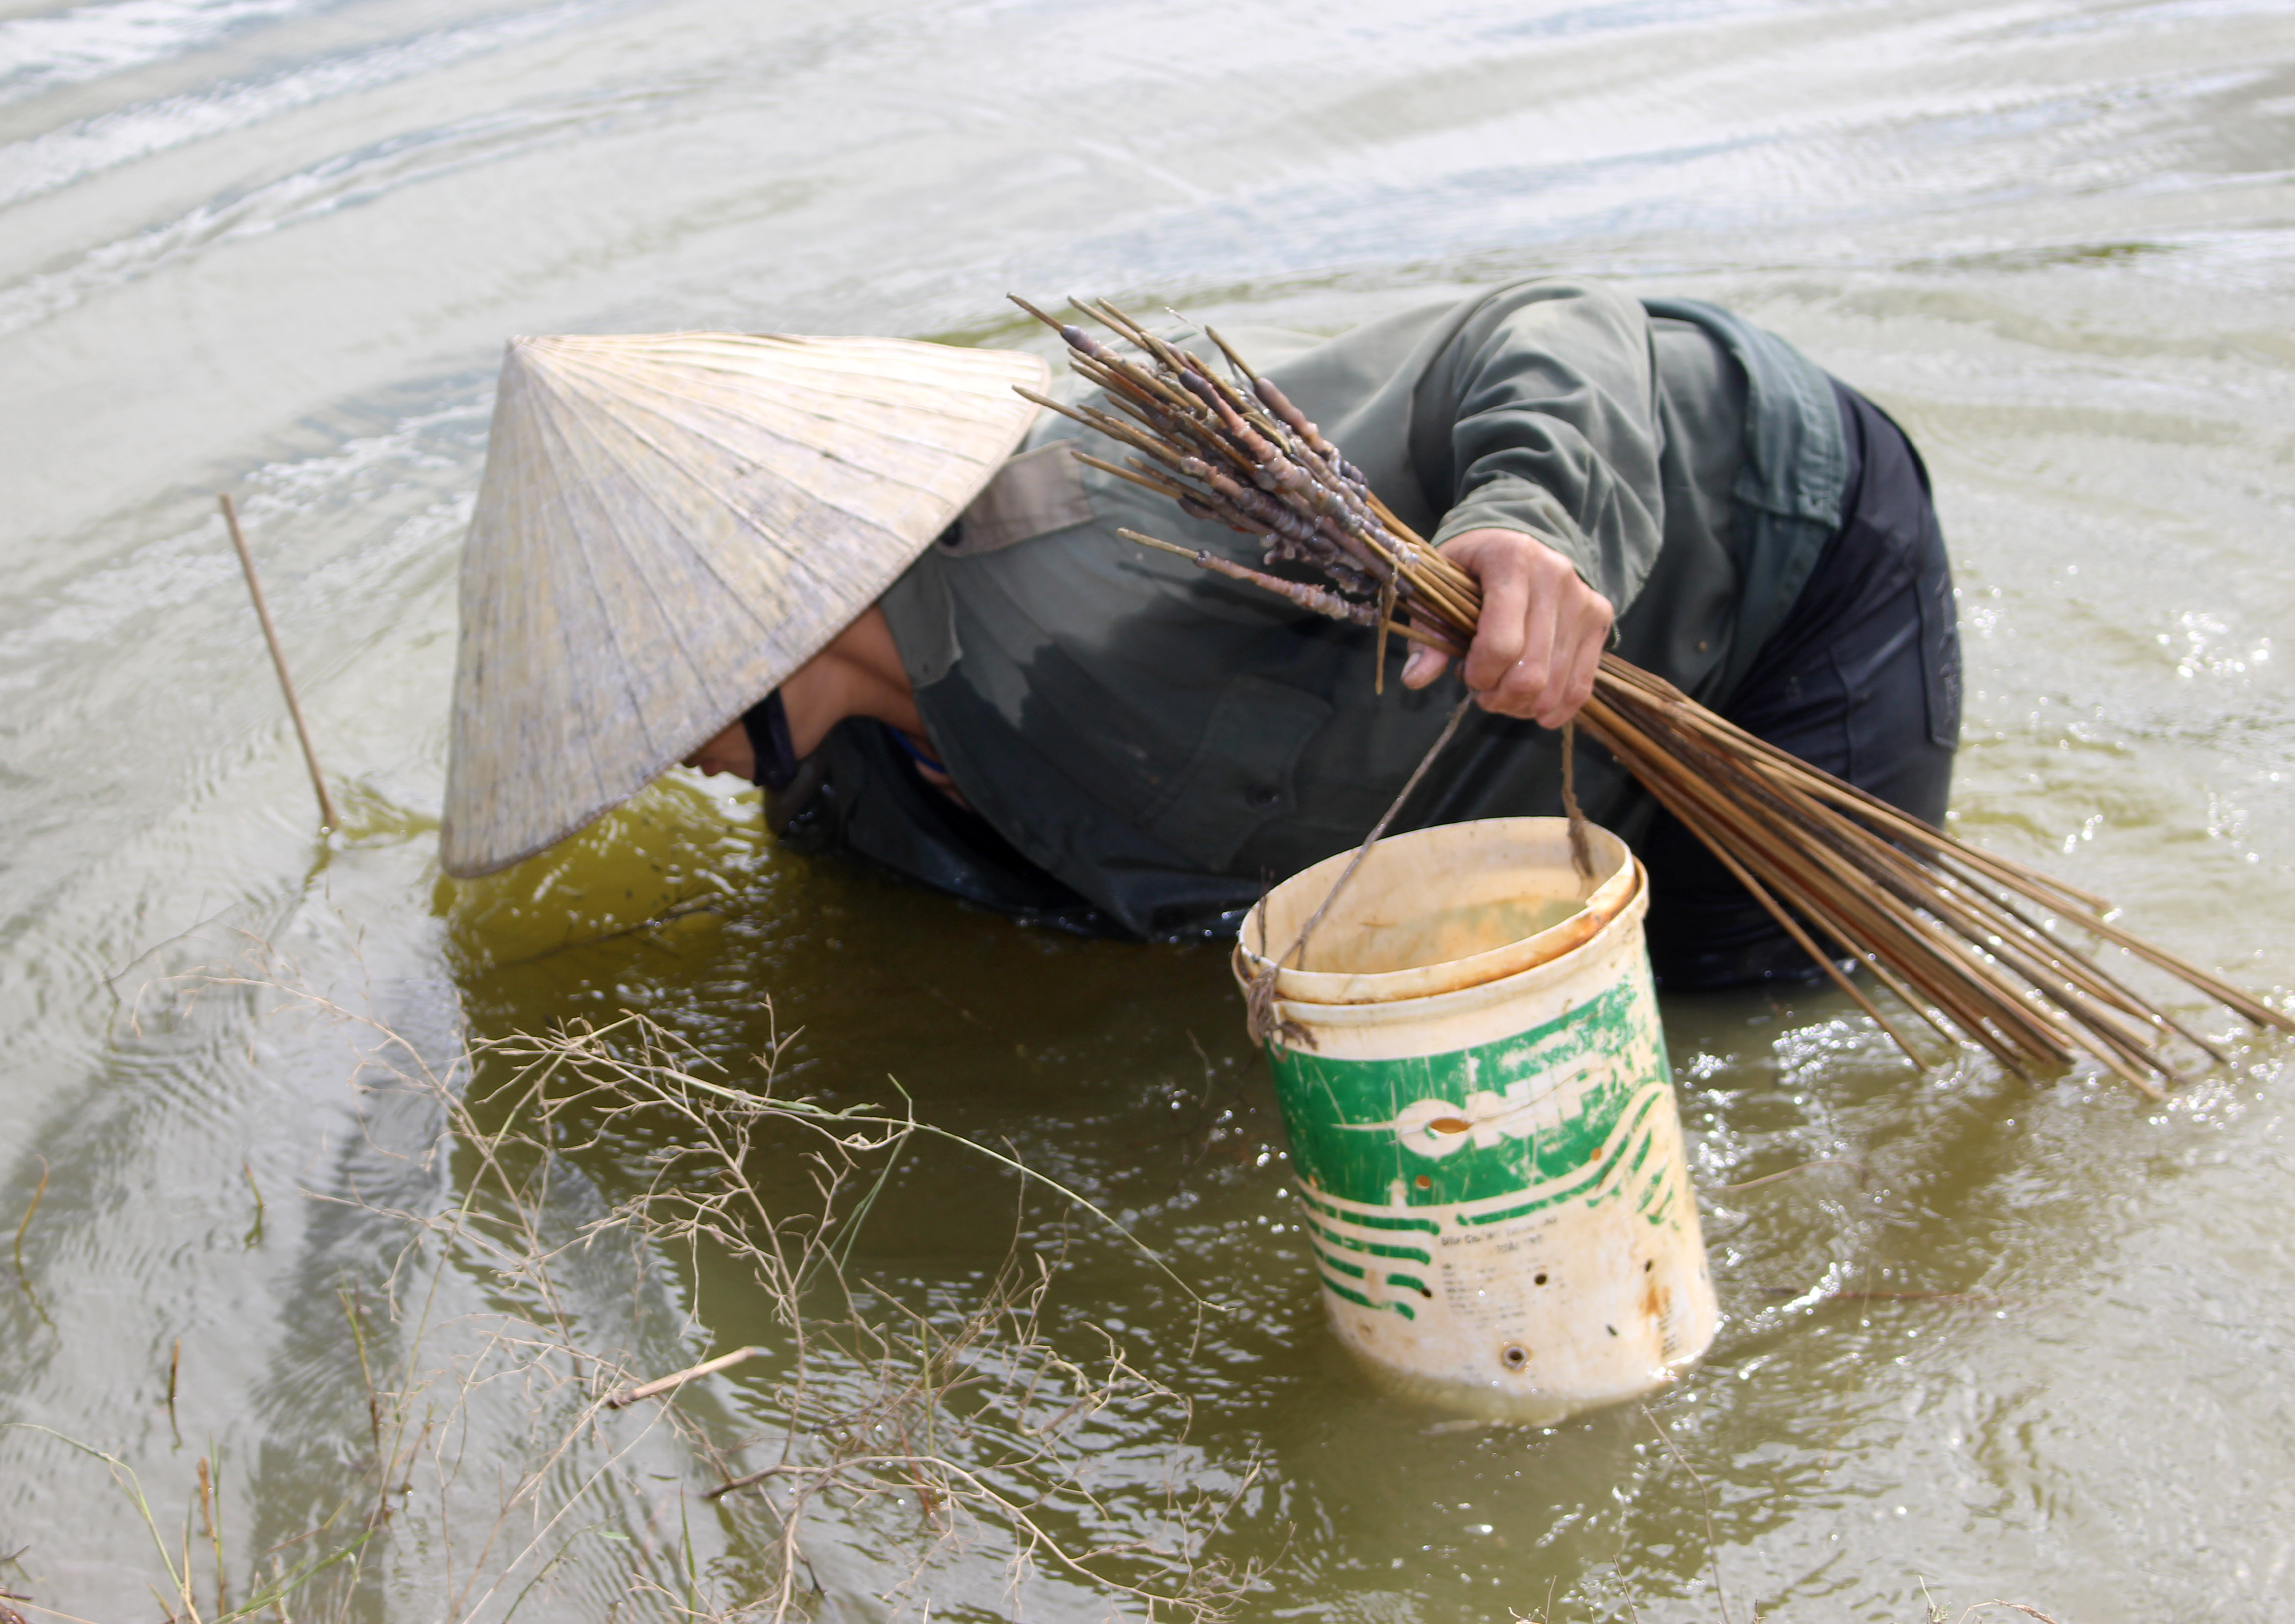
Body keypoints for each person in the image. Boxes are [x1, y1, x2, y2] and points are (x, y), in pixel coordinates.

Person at [672, 276, 1962, 988]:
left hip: (1762, 559)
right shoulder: (841, 803)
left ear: (767, 603)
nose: (645, 755)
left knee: (1750, 1018)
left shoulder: (1106, 542)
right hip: (1530, 743)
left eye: (636, 700)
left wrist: (1535, 523)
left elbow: (1553, 319)